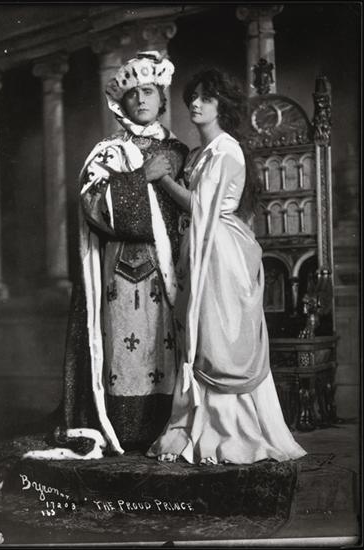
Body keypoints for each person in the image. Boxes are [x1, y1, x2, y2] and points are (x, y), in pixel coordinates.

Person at [146, 69, 306, 465]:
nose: (195, 103)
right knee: (203, 335)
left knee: (219, 336)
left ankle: (231, 432)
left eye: (206, 97)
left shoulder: (226, 150)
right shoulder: (204, 152)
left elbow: (201, 206)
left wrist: (162, 179)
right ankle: (202, 425)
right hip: (205, 247)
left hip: (221, 255)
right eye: (193, 97)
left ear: (223, 105)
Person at [59, 51, 189, 456]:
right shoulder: (108, 152)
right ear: (121, 102)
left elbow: (191, 208)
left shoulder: (179, 151)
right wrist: (142, 179)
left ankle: (168, 427)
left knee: (165, 349)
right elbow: (93, 206)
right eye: (133, 94)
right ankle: (123, 429)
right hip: (121, 269)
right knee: (123, 349)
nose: (141, 99)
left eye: (149, 91)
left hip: (171, 269)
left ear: (161, 98)